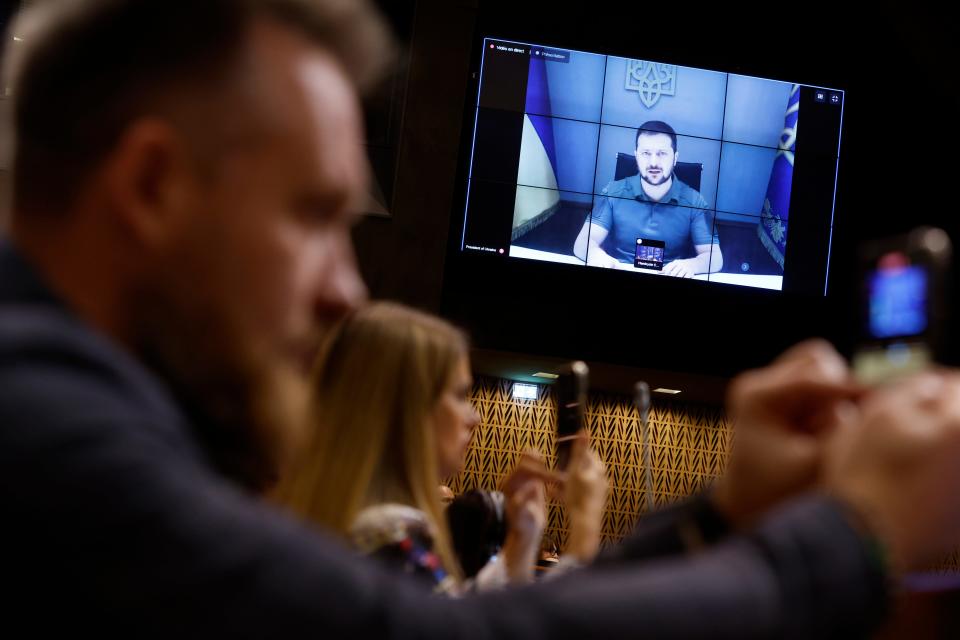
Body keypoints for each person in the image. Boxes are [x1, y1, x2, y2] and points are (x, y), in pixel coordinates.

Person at [4, 1, 960, 637]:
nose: (346, 288)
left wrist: (723, 513)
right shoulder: (42, 420)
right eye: (312, 217)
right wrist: (855, 534)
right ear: (152, 186)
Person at [273, 302, 606, 591]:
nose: (474, 417)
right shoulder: (386, 535)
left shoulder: (354, 524)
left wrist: (520, 542)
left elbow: (463, 620)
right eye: (460, 396)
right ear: (404, 410)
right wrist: (586, 528)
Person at [573, 121, 723, 277]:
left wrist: (691, 265)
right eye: (646, 153)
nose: (653, 163)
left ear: (675, 158)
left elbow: (715, 257)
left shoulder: (696, 202)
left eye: (662, 153)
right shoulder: (612, 192)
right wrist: (597, 255)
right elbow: (583, 242)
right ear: (636, 156)